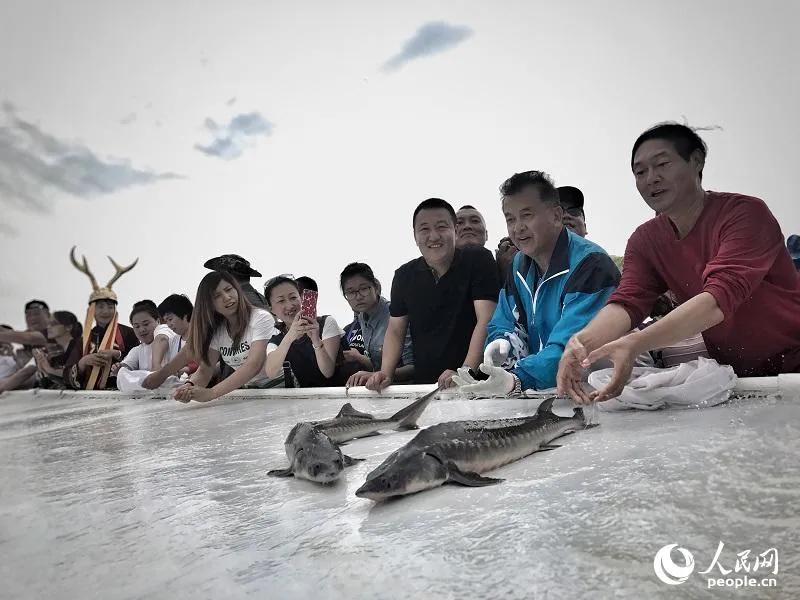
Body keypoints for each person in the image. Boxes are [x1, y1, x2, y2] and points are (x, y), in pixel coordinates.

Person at [557, 123, 800, 404]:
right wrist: (582, 342)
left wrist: (636, 343)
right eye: (640, 172)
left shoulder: (745, 214)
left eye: (662, 164)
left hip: (795, 368)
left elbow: (718, 299)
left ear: (696, 161)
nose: (651, 179)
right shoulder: (645, 240)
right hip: (738, 377)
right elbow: (628, 301)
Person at [453, 171, 620, 395]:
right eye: (510, 219)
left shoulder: (591, 264)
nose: (517, 227)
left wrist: (517, 379)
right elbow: (504, 320)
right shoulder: (518, 265)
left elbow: (573, 346)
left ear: (556, 216)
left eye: (527, 215)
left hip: (600, 391)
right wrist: (502, 343)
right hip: (547, 391)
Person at [365, 198, 500, 391]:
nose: (434, 236)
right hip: (425, 387)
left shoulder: (478, 259)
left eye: (441, 227)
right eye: (424, 229)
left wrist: (465, 371)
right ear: (415, 236)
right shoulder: (404, 275)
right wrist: (385, 373)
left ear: (455, 230)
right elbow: (395, 330)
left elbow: (486, 318)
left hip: (475, 385)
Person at [172, 271, 276, 403]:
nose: (227, 297)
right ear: (209, 304)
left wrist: (212, 393)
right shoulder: (218, 331)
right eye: (217, 296)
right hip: (253, 393)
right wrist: (188, 387)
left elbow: (253, 365)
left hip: (283, 389)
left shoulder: (261, 317)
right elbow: (205, 371)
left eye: (229, 289)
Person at [63, 247, 139, 390]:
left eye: (110, 307)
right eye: (100, 307)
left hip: (122, 395)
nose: (106, 311)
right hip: (92, 397)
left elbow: (142, 361)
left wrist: (118, 354)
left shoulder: (129, 333)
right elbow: (66, 375)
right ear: (92, 310)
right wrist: (83, 362)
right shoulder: (82, 341)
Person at [263, 275, 353, 387]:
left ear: (301, 298)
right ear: (271, 309)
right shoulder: (276, 339)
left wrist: (316, 340)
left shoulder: (326, 323)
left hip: (342, 392)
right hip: (307, 396)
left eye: (293, 297)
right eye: (281, 300)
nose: (290, 305)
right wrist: (290, 336)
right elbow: (271, 372)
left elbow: (327, 372)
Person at [337, 262, 414, 386]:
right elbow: (378, 364)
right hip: (381, 389)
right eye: (350, 292)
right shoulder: (362, 317)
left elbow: (413, 368)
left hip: (407, 390)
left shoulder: (396, 315)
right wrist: (360, 359)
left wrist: (378, 375)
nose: (358, 297)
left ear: (376, 287)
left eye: (363, 289)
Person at [112, 301, 182, 391]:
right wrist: (119, 368)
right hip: (149, 389)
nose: (142, 329)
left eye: (146, 324)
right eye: (137, 326)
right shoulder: (137, 350)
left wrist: (156, 368)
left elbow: (161, 339)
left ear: (158, 321)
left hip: (170, 385)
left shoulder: (165, 329)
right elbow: (127, 366)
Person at [31, 311, 82, 389]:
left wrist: (49, 369)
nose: (48, 327)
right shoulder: (54, 352)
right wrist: (41, 366)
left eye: (53, 324)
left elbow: (74, 376)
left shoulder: (79, 344)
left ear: (68, 327)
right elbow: (47, 383)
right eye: (48, 324)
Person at [157, 293, 197, 375]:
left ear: (185, 315)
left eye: (170, 319)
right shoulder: (172, 341)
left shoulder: (203, 336)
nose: (169, 325)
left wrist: (188, 369)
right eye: (166, 321)